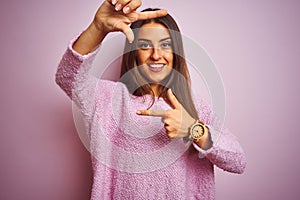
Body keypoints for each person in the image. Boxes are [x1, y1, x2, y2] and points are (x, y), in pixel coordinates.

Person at [55, 0, 246, 199]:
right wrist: (97, 28)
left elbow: (237, 161)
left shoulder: (195, 108)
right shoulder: (108, 99)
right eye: (145, 45)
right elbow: (67, 77)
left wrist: (194, 130)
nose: (156, 55)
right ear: (134, 53)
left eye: (165, 45)